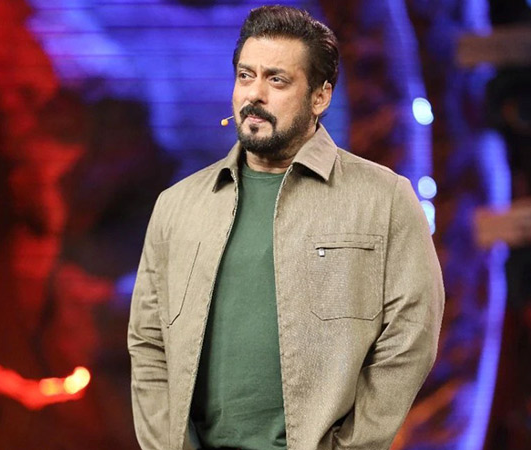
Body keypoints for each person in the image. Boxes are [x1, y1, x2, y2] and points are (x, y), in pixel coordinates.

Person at [128, 5, 444, 450]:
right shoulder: (177, 206)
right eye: (245, 76)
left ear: (320, 97)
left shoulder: (384, 199)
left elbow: (411, 338)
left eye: (276, 80)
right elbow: (148, 344)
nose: (254, 94)